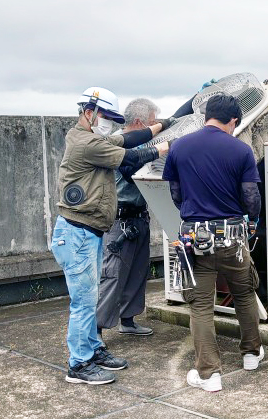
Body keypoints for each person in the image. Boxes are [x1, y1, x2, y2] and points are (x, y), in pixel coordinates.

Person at [50, 87, 175, 385]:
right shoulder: (88, 144)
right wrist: (165, 145)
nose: (111, 122)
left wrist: (166, 124)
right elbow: (132, 154)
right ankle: (78, 365)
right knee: (83, 302)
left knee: (89, 297)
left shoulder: (91, 138)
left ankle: (92, 350)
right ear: (89, 112)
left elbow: (129, 137)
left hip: (88, 231)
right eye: (107, 116)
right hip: (77, 232)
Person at [162, 94, 263, 392]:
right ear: (233, 120)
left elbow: (176, 194)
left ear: (208, 115)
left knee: (202, 305)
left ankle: (209, 374)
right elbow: (251, 198)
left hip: (196, 239)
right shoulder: (241, 150)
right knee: (244, 293)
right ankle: (251, 354)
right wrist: (252, 222)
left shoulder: (179, 147)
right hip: (233, 238)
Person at [96, 98, 163, 344]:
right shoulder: (116, 144)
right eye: (153, 123)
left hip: (139, 217)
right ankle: (97, 330)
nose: (156, 128)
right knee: (113, 275)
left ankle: (128, 320)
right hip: (120, 220)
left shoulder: (143, 143)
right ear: (139, 122)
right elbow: (129, 167)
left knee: (137, 272)